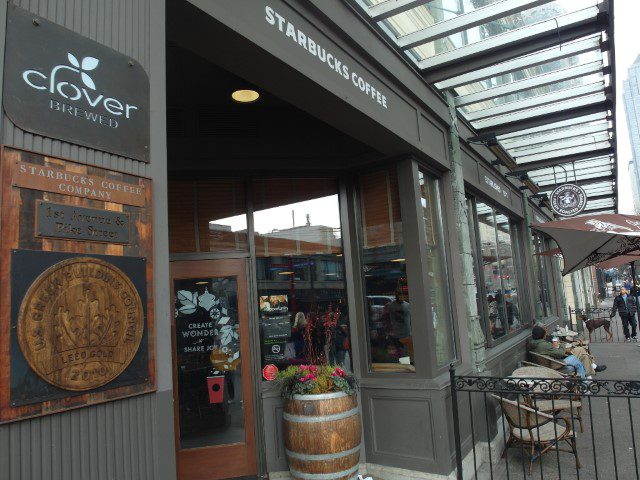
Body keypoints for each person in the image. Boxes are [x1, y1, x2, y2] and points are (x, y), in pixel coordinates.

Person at [528, 325, 606, 378]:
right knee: (579, 358)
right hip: (557, 365)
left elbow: (552, 352)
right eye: (545, 330)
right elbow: (560, 353)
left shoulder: (534, 344)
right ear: (542, 334)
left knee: (582, 352)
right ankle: (585, 382)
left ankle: (592, 369)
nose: (546, 331)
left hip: (552, 362)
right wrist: (561, 345)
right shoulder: (543, 345)